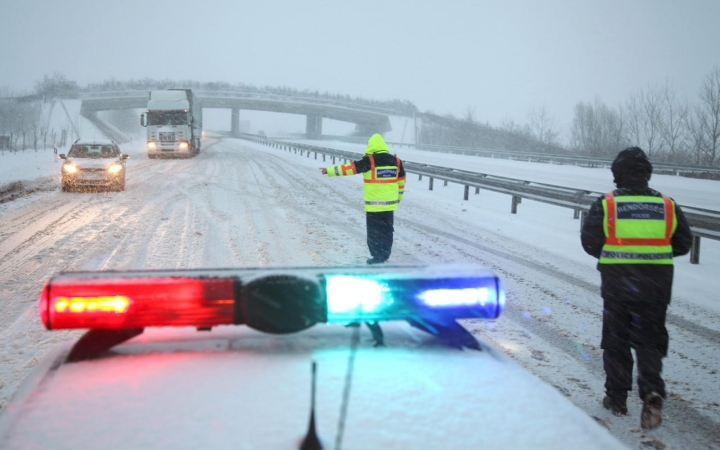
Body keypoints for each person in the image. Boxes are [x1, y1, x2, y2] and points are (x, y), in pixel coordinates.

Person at [581, 147, 693, 430]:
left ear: (617, 174)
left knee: (616, 342)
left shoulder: (607, 204)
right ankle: (652, 390)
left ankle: (617, 398)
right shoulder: (667, 205)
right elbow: (683, 243)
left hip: (618, 286)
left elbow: (590, 241)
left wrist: (616, 258)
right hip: (655, 288)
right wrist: (651, 256)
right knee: (649, 341)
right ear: (646, 174)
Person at [320, 133, 405, 264]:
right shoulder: (396, 161)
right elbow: (401, 181)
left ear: (371, 146)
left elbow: (349, 168)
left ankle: (377, 257)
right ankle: (385, 254)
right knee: (387, 231)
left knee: (374, 232)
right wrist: (398, 197)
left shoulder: (370, 161)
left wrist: (330, 171)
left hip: (374, 206)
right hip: (389, 205)